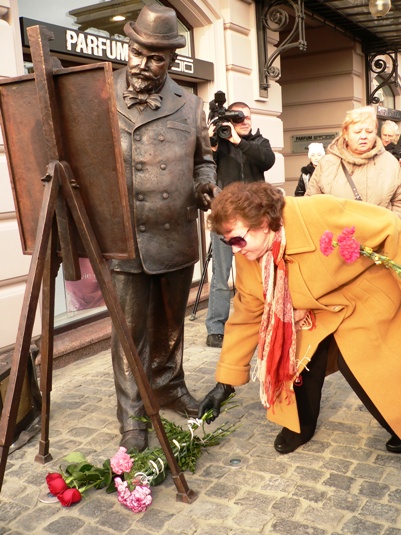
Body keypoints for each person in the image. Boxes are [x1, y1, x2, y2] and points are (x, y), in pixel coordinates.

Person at [198, 181, 401, 455]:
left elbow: (390, 226)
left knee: (364, 367)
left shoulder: (318, 212)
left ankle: (397, 424)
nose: (234, 250)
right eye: (227, 242)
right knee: (295, 358)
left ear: (263, 223)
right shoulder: (250, 256)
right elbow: (247, 314)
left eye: (237, 239)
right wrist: (225, 383)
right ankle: (299, 425)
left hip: (361, 299)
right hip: (313, 313)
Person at [111, 3, 218, 452]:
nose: (142, 63)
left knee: (172, 328)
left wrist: (206, 186)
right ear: (129, 46)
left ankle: (169, 386)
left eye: (155, 57)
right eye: (138, 51)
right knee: (129, 333)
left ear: (170, 60)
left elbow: (204, 161)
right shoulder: (98, 94)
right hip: (123, 239)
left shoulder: (191, 105)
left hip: (175, 232)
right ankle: (133, 415)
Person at [205, 101, 275, 348]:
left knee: (258, 274)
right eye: (238, 118)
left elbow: (267, 160)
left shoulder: (259, 143)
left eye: (247, 117)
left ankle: (263, 321)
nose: (244, 121)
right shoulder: (220, 145)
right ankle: (216, 328)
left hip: (254, 221)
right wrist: (212, 140)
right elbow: (205, 163)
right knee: (221, 277)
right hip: (225, 221)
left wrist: (238, 142)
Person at [305, 107, 401, 218]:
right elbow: (310, 205)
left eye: (369, 131)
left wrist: (388, 228)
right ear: (345, 133)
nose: (364, 136)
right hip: (336, 234)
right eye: (357, 132)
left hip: (381, 234)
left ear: (375, 132)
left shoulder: (390, 163)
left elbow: (398, 203)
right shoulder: (327, 164)